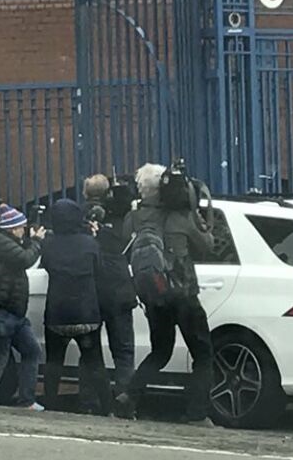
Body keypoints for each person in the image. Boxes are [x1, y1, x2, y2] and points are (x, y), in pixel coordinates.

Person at [115, 163, 215, 426]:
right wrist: (201, 221)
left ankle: (129, 395)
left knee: (160, 351)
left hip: (155, 296)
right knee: (203, 354)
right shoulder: (181, 217)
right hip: (183, 294)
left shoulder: (133, 218)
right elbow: (207, 247)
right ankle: (196, 413)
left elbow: (125, 246)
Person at [41, 199, 114, 416]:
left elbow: (45, 264)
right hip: (86, 313)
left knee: (53, 363)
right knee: (95, 364)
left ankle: (51, 406)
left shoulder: (49, 244)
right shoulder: (90, 244)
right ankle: (107, 408)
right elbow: (100, 270)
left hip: (57, 313)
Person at [0, 203, 45, 411]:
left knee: (31, 350)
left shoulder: (4, 241)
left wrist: (29, 241)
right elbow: (25, 259)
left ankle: (26, 399)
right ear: (12, 228)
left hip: (12, 311)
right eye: (21, 227)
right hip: (0, 310)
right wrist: (36, 242)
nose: (23, 230)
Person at [82, 175, 137, 400]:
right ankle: (125, 400)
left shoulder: (79, 217)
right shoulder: (122, 216)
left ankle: (92, 401)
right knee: (124, 351)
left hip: (91, 291)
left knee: (90, 350)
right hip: (120, 291)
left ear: (85, 194)